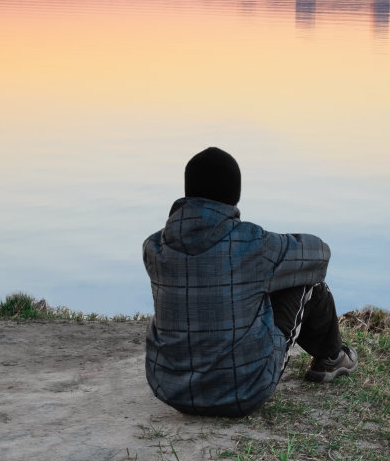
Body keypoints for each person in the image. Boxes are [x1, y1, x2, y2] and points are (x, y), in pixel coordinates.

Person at [142, 147, 357, 417]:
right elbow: (319, 254)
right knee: (306, 281)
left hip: (170, 388)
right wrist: (277, 252)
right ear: (235, 195)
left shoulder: (154, 246)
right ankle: (331, 359)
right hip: (245, 391)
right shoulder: (253, 244)